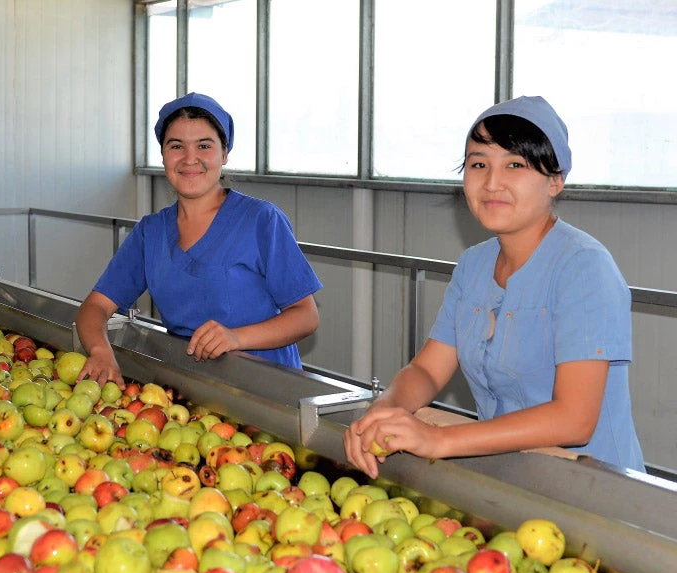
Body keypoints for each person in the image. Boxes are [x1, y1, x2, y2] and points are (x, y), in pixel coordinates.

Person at [344, 96, 644, 478]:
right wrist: (384, 411)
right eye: (478, 164)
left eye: (515, 165)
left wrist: (439, 440)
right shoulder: (474, 264)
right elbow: (428, 371)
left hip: (593, 488)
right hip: (510, 474)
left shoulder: (584, 268)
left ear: (555, 181)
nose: (491, 182)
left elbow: (574, 419)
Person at [75, 92, 321, 385]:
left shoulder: (261, 221)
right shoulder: (150, 233)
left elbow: (305, 316)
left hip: (266, 392)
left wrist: (236, 337)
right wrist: (101, 350)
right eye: (176, 146)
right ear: (164, 156)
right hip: (191, 390)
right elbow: (95, 307)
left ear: (224, 153)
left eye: (204, 146)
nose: (190, 159)